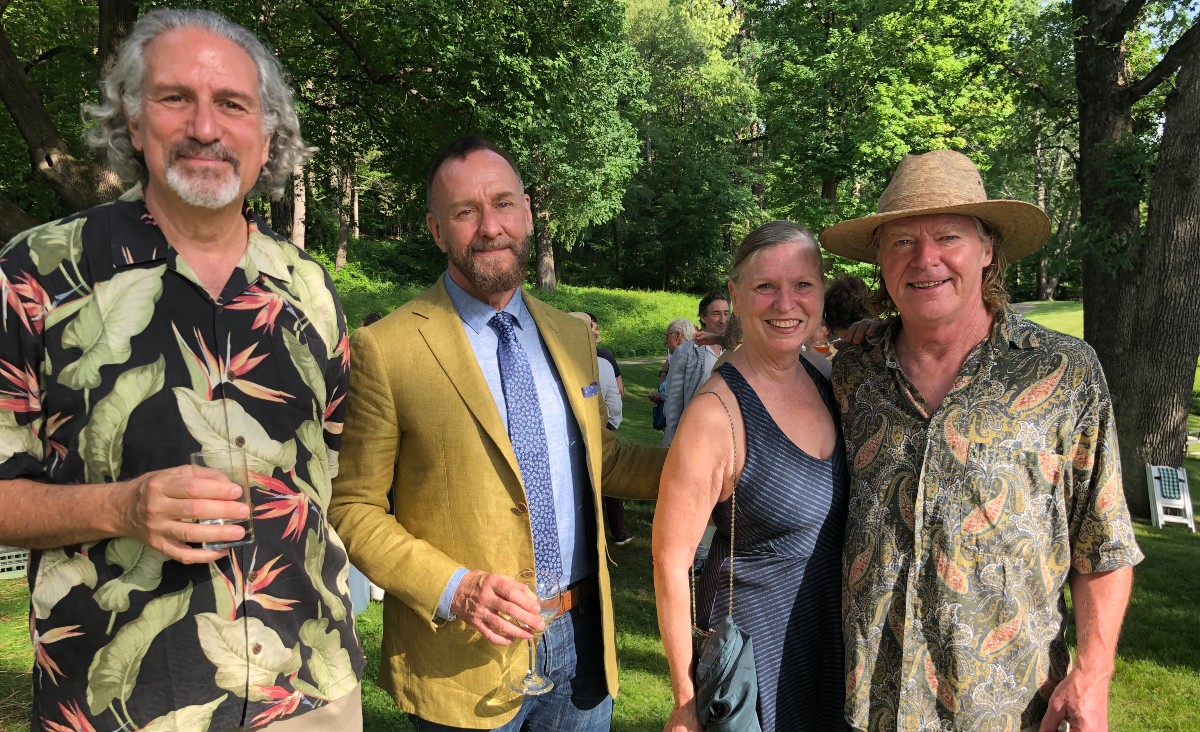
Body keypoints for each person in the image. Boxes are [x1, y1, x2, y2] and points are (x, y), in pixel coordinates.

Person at [0, 9, 363, 731]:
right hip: (118, 707)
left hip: (310, 693)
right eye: (175, 99)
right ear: (133, 123)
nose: (205, 127)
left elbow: (335, 481)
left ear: (266, 137)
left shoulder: (311, 292)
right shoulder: (38, 274)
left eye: (232, 104)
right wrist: (119, 507)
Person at [328, 135, 665, 731]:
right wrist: (455, 588)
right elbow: (354, 509)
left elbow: (600, 460)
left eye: (504, 204)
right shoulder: (390, 348)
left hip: (583, 643)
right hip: (463, 661)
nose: (490, 227)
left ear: (528, 212)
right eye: (465, 212)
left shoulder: (570, 335)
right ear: (436, 230)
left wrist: (708, 466)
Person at [820, 149, 1143, 732]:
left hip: (1007, 708)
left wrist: (1094, 674)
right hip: (868, 707)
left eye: (948, 237)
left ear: (987, 250)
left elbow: (1104, 540)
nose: (926, 260)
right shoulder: (852, 373)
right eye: (901, 243)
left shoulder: (1063, 372)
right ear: (881, 261)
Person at [653, 221, 848, 732]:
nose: (786, 303)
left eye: (802, 284)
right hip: (755, 659)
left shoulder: (824, 378)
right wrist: (684, 698)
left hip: (827, 641)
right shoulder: (715, 415)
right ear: (736, 297)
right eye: (766, 286)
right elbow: (671, 561)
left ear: (821, 294)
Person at [570, 313, 633, 546]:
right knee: (609, 478)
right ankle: (617, 531)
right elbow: (615, 402)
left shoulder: (556, 360)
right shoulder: (602, 363)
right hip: (599, 433)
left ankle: (591, 536)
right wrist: (611, 427)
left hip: (575, 437)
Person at [662, 291, 730, 445]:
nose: (723, 320)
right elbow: (673, 400)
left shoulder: (732, 350)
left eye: (726, 314)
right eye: (716, 314)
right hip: (695, 433)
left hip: (725, 435)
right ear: (703, 317)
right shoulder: (686, 350)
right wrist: (673, 441)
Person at [648, 319, 696, 431]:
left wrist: (663, 372)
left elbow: (668, 392)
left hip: (681, 423)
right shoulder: (683, 355)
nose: (665, 342)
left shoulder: (684, 357)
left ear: (678, 335)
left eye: (667, 336)